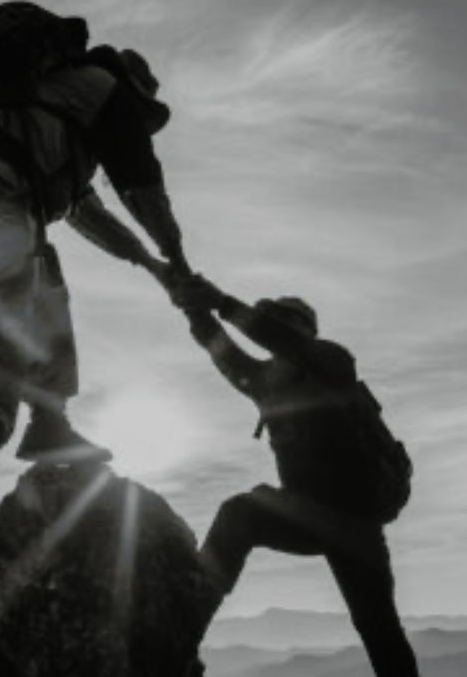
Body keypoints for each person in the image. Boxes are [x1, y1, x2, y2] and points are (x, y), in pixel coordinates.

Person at [0, 1, 189, 555]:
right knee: (1, 302)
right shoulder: (103, 93)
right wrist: (177, 259)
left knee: (45, 287)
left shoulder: (57, 114)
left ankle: (49, 420)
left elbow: (86, 213)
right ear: (136, 91)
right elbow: (141, 186)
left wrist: (152, 268)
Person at [173, 277, 421, 677]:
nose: (273, 335)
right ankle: (186, 618)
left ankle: (186, 613)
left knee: (380, 631)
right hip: (312, 517)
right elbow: (220, 349)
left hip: (355, 523)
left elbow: (287, 343)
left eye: (282, 324)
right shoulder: (266, 383)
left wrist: (221, 302)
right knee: (241, 513)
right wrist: (192, 307)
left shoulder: (334, 364)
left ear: (304, 331)